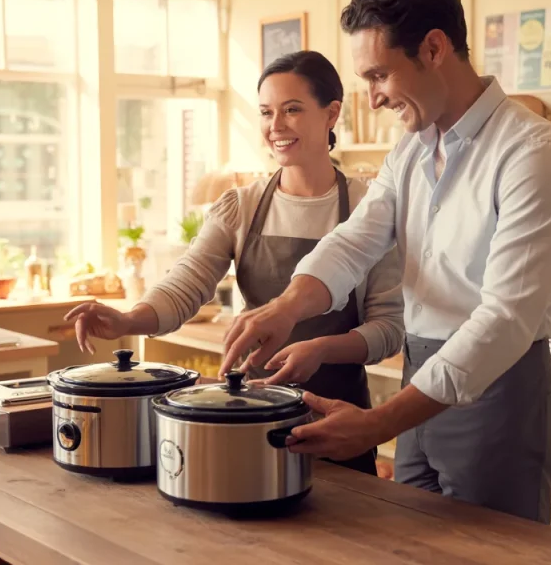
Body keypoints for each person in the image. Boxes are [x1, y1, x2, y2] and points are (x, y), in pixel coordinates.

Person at [221, 0, 551, 523]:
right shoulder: (412, 149)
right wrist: (286, 307)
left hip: (498, 393)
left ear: (434, 48)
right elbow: (357, 239)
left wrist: (379, 423)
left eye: (379, 75)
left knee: (488, 556)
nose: (373, 97)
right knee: (410, 543)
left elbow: (506, 319)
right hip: (420, 379)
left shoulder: (531, 152)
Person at [64, 50, 405, 477]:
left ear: (331, 113)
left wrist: (322, 349)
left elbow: (389, 330)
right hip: (250, 418)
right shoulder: (240, 207)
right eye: (265, 112)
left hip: (340, 423)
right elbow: (186, 284)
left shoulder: (370, 208)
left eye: (292, 109)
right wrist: (128, 320)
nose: (275, 126)